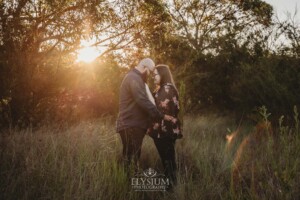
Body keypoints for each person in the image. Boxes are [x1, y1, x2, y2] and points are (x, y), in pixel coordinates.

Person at [116, 58, 174, 173]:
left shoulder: (134, 78)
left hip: (131, 124)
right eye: (150, 71)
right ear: (145, 68)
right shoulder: (134, 78)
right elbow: (142, 100)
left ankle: (126, 185)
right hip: (131, 125)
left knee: (131, 158)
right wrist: (161, 115)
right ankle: (127, 187)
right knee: (131, 159)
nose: (151, 75)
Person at [147, 64, 182, 189]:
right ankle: (171, 188)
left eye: (155, 74)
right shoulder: (163, 88)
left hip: (164, 130)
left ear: (162, 75)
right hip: (163, 129)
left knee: (168, 161)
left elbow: (158, 109)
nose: (153, 77)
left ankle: (171, 189)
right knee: (168, 160)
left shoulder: (166, 88)